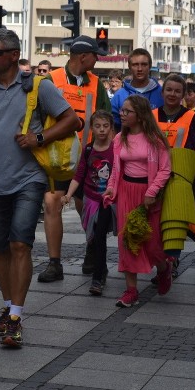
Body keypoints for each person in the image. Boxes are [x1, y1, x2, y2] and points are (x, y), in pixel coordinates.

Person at [0, 29, 77, 348]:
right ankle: (8, 306)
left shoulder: (38, 86)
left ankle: (15, 316)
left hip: (30, 179)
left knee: (19, 245)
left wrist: (39, 138)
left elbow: (72, 120)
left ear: (14, 55)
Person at [39, 35, 111, 283]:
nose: (96, 61)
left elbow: (105, 118)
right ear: (83, 57)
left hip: (88, 157)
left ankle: (92, 248)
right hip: (57, 158)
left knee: (87, 208)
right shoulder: (52, 80)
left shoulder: (97, 84)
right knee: (52, 203)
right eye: (94, 56)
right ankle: (54, 263)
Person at [103, 95, 173, 307]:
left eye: (127, 111)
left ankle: (164, 269)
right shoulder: (118, 139)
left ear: (140, 115)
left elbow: (165, 169)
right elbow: (116, 169)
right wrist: (111, 188)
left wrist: (151, 192)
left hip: (148, 195)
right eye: (122, 111)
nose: (122, 114)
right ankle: (131, 290)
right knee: (128, 241)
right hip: (126, 192)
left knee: (152, 243)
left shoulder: (155, 140)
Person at [154, 74, 195, 275]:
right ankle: (162, 260)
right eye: (169, 90)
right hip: (154, 180)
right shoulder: (151, 116)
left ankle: (171, 262)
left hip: (181, 179)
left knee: (176, 220)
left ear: (183, 95)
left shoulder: (191, 117)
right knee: (157, 221)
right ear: (162, 93)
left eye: (177, 91)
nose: (173, 94)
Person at [62, 110, 115, 296]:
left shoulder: (116, 149)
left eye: (105, 126)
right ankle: (102, 268)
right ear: (92, 128)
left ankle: (98, 278)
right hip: (90, 199)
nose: (102, 130)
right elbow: (79, 174)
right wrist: (69, 194)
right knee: (92, 237)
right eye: (98, 126)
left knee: (100, 235)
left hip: (108, 200)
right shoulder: (89, 150)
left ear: (111, 128)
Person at [110, 48, 163, 130]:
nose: (139, 69)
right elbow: (112, 127)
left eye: (144, 64)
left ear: (150, 66)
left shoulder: (162, 94)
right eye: (135, 65)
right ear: (129, 67)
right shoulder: (119, 96)